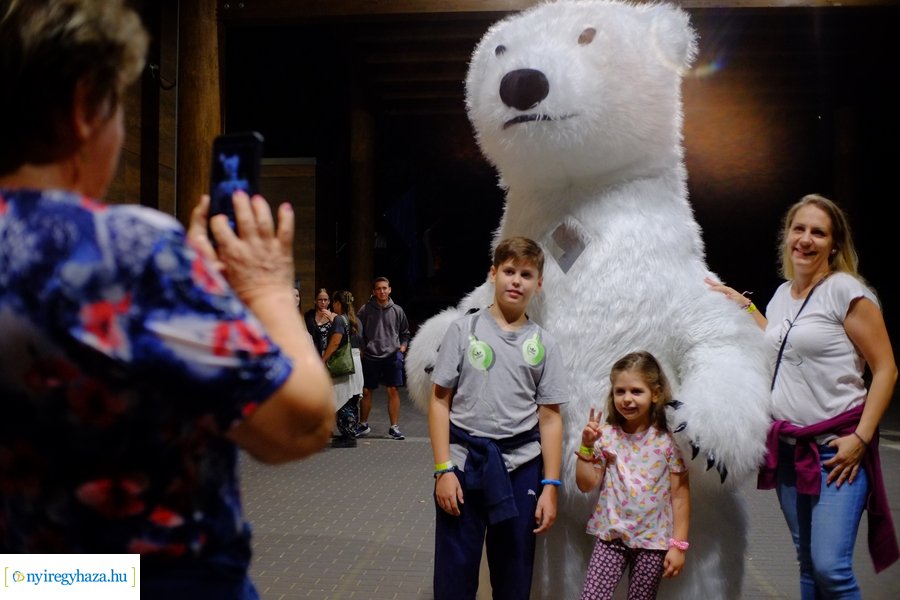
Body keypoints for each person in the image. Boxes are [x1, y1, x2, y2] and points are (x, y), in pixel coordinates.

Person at [0, 1, 334, 598]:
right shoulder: (128, 250)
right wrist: (265, 288)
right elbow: (301, 423)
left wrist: (193, 295)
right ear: (84, 108)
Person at [707, 193, 898, 598]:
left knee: (831, 568)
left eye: (818, 232)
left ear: (835, 244)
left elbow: (886, 369)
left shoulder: (845, 291)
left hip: (836, 451)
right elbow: (779, 343)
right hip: (791, 450)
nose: (806, 239)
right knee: (808, 563)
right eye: (799, 229)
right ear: (787, 236)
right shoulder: (782, 295)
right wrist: (743, 307)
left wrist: (861, 439)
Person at [428, 237, 567, 600]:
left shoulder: (545, 344)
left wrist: (550, 486)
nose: (516, 280)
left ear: (539, 284)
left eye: (526, 274)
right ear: (493, 274)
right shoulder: (463, 330)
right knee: (453, 579)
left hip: (521, 468)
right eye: (509, 271)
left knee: (513, 578)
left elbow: (550, 418)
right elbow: (439, 401)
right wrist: (443, 470)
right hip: (463, 465)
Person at [575, 352, 690, 600]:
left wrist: (678, 545)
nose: (627, 399)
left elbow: (680, 496)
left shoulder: (668, 443)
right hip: (611, 538)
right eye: (620, 391)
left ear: (655, 394)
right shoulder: (606, 435)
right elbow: (586, 484)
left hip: (652, 543)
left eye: (636, 391)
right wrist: (586, 446)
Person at [356, 276, 411, 440]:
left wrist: (402, 349)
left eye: (384, 288)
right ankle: (363, 424)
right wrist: (362, 348)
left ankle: (394, 427)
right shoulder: (365, 310)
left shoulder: (397, 310)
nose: (382, 291)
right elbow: (358, 332)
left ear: (389, 290)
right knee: (366, 391)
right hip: (371, 356)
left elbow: (405, 333)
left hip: (392, 356)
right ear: (374, 291)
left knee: (392, 390)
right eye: (378, 288)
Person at [322, 290, 364, 448]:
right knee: (351, 398)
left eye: (334, 303)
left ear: (338, 303)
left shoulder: (340, 319)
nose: (333, 306)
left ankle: (348, 437)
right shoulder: (355, 320)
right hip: (355, 362)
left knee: (343, 397)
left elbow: (335, 343)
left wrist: (323, 359)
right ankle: (349, 433)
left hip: (344, 364)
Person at [304, 288, 334, 356]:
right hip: (312, 352)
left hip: (329, 355)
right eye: (320, 299)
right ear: (315, 301)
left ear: (329, 301)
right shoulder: (309, 316)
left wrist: (331, 320)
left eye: (325, 300)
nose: (323, 302)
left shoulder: (334, 316)